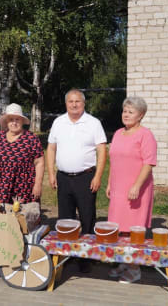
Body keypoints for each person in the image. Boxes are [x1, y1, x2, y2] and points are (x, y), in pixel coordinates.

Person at [46, 89, 107, 272]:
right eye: (70, 101)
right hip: (63, 177)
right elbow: (51, 149)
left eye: (77, 101)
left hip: (86, 177)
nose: (74, 104)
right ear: (66, 104)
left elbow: (102, 151)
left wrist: (97, 176)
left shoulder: (93, 123)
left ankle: (85, 258)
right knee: (66, 218)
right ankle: (67, 255)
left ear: (83, 103)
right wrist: (51, 173)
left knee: (87, 217)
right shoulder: (58, 122)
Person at [106, 96, 157, 283]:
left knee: (132, 231)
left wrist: (136, 185)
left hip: (137, 190)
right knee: (119, 229)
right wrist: (110, 183)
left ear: (141, 115)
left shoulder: (145, 134)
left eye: (131, 112)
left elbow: (149, 163)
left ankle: (135, 269)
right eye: (124, 111)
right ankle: (124, 263)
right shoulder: (118, 133)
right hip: (119, 189)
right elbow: (114, 160)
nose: (126, 115)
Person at [0, 103, 44, 205]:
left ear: (22, 121)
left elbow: (39, 163)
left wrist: (38, 184)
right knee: (0, 218)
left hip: (23, 187)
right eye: (11, 119)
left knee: (22, 217)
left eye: (17, 119)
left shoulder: (31, 138)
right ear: (6, 122)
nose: (14, 123)